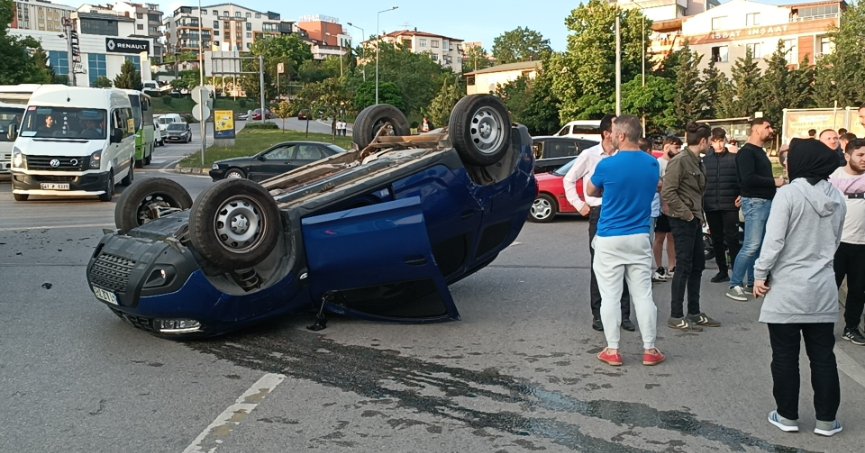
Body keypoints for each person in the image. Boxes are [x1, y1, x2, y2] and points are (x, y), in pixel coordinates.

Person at [753, 138, 845, 437]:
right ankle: (827, 421)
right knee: (823, 356)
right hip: (822, 288)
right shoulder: (837, 198)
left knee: (784, 356)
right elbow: (834, 241)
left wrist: (760, 274)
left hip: (788, 289)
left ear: (802, 162)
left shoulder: (788, 195)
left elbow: (774, 241)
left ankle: (787, 416)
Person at [586, 115, 664, 367]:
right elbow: (657, 187)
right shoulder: (652, 164)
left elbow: (590, 190)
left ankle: (613, 349)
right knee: (643, 295)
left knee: (610, 295)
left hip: (610, 236)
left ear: (620, 136)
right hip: (640, 236)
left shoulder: (607, 165)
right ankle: (650, 349)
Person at [563, 114, 635, 332]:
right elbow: (568, 179)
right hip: (599, 211)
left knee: (624, 264)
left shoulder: (625, 154)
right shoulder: (590, 155)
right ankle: (599, 314)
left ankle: (624, 315)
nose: (621, 133)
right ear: (607, 134)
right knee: (599, 265)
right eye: (616, 129)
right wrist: (579, 205)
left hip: (622, 212)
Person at [662, 122, 720, 331]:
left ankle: (694, 312)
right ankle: (676, 314)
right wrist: (686, 214)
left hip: (694, 218)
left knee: (697, 266)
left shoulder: (697, 161)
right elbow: (668, 192)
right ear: (703, 141)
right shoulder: (681, 161)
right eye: (710, 141)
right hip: (682, 219)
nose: (711, 144)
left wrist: (698, 216)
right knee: (684, 266)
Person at [726, 118, 782, 302]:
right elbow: (748, 178)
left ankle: (752, 281)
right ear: (756, 130)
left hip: (763, 201)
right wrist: (774, 182)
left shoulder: (758, 151)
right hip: (756, 202)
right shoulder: (747, 153)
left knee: (758, 246)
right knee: (751, 245)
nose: (771, 130)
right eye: (767, 127)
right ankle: (735, 284)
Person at [830, 138, 865, 345]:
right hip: (838, 244)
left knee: (857, 290)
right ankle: (822, 327)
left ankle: (851, 327)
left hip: (862, 246)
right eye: (860, 155)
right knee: (829, 288)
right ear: (847, 156)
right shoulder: (833, 178)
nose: (864, 159)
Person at [703, 127, 741, 284]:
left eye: (721, 141)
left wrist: (742, 194)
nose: (718, 144)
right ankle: (722, 271)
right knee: (716, 240)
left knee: (732, 239)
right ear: (711, 142)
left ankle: (737, 273)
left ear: (725, 140)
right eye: (715, 141)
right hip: (711, 204)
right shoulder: (705, 160)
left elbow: (741, 179)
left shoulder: (734, 158)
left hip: (730, 204)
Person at [652, 136, 682, 282]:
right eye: (675, 147)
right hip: (661, 207)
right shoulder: (658, 163)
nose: (678, 150)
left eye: (679, 147)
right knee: (659, 237)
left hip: (675, 206)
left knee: (672, 237)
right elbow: (658, 185)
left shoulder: (678, 163)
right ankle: (659, 266)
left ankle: (672, 266)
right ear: (666, 147)